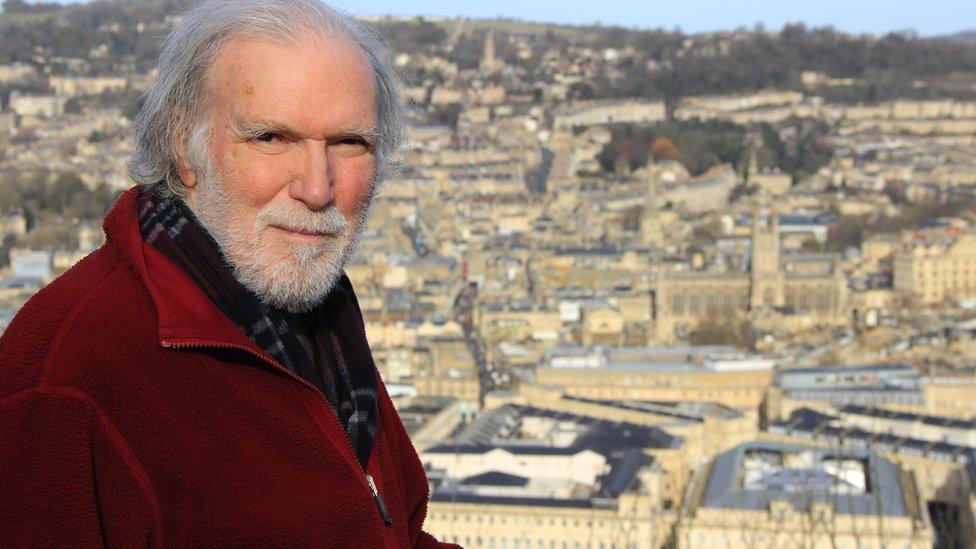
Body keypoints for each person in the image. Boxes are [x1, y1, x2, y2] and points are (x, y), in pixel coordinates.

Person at [0, 1, 457, 546]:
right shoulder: (68, 380)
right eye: (270, 137)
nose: (317, 188)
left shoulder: (309, 314)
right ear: (181, 145)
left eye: (349, 143)